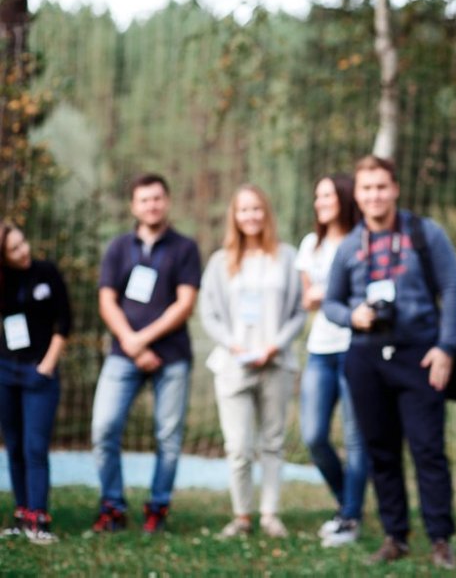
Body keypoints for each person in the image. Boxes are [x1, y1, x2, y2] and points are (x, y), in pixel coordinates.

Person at [323, 155, 456, 570]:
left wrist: (447, 347)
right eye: (366, 189)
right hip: (366, 355)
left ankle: (440, 538)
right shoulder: (349, 245)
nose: (374, 195)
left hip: (420, 354)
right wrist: (352, 316)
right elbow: (329, 302)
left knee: (427, 449)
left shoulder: (425, 233)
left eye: (381, 186)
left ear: (395, 188)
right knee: (380, 450)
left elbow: (453, 290)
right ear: (358, 195)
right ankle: (394, 535)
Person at [91, 173, 201, 534]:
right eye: (144, 200)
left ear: (167, 201)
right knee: (104, 427)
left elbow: (185, 304)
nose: (151, 205)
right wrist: (130, 342)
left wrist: (144, 340)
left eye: (157, 198)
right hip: (123, 355)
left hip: (171, 357)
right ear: (133, 206)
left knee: (168, 437)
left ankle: (158, 507)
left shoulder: (185, 248)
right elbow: (107, 300)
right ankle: (112, 506)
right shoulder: (119, 248)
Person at [199, 184, 305, 539]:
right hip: (234, 365)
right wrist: (232, 345)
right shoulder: (220, 262)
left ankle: (270, 514)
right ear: (235, 216)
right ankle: (241, 515)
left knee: (273, 443)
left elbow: (298, 311)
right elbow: (209, 312)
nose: (251, 216)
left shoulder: (286, 257)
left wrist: (276, 345)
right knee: (239, 447)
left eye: (257, 209)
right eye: (244, 210)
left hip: (275, 363)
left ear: (266, 213)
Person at [295, 173, 369, 547]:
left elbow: (364, 296)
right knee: (313, 435)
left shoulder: (363, 241)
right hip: (321, 349)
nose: (321, 202)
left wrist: (329, 296)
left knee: (357, 439)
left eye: (327, 195)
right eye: (317, 196)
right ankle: (348, 504)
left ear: (343, 198)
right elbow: (308, 299)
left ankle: (350, 518)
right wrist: (337, 296)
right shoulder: (312, 244)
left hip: (356, 348)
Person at [0, 222, 71, 544]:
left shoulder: (46, 272)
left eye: (23, 242)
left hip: (39, 372)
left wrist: (47, 365)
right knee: (14, 446)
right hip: (6, 371)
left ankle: (40, 517)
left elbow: (65, 320)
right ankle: (21, 512)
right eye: (13, 249)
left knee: (35, 447)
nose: (23, 250)